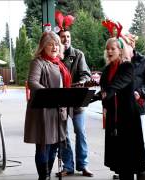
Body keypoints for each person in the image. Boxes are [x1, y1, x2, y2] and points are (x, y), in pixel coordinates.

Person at [23, 31, 71, 180]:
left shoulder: (59, 64)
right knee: (44, 145)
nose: (54, 47)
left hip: (58, 110)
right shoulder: (38, 62)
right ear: (43, 46)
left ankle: (47, 174)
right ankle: (43, 177)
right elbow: (32, 82)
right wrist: (50, 94)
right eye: (50, 44)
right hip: (43, 111)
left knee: (55, 145)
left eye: (57, 44)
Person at [99, 37, 145, 180]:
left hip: (128, 119)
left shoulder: (127, 67)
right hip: (114, 119)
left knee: (131, 160)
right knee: (120, 161)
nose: (109, 51)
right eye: (107, 49)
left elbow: (115, 86)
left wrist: (103, 95)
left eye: (112, 48)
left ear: (120, 51)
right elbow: (104, 91)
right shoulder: (106, 70)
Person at [57, 28, 93, 177]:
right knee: (63, 134)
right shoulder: (55, 56)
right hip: (61, 101)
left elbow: (86, 74)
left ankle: (83, 165)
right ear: (58, 39)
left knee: (80, 131)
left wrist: (83, 81)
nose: (66, 39)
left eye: (68, 36)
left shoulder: (78, 55)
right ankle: (68, 166)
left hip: (77, 99)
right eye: (63, 37)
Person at [125, 34, 145, 171]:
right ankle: (127, 167)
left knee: (143, 138)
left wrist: (139, 92)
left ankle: (144, 168)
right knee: (127, 139)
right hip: (125, 107)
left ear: (132, 45)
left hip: (141, 106)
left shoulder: (144, 61)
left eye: (125, 45)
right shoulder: (120, 63)